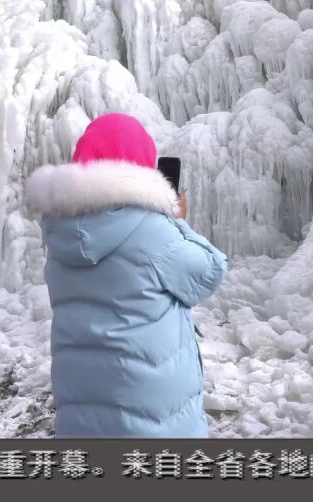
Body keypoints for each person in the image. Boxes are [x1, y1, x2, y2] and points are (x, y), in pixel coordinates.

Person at [26, 113, 227, 437]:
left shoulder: (58, 232)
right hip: (151, 417)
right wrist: (175, 219)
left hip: (81, 412)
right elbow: (209, 271)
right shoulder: (152, 230)